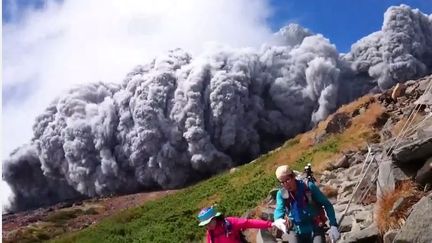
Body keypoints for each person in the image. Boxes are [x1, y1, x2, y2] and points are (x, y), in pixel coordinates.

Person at [274, 165, 340, 243]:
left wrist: (333, 225)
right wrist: (278, 219)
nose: (286, 184)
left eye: (287, 180)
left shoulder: (308, 186)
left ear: (293, 176)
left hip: (315, 227)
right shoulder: (281, 194)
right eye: (282, 182)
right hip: (295, 230)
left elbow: (327, 204)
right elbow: (279, 209)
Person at [197, 206, 286, 243]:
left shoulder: (229, 222)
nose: (207, 226)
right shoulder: (210, 233)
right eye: (205, 224)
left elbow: (249, 223)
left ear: (214, 218)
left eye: (208, 222)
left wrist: (271, 224)